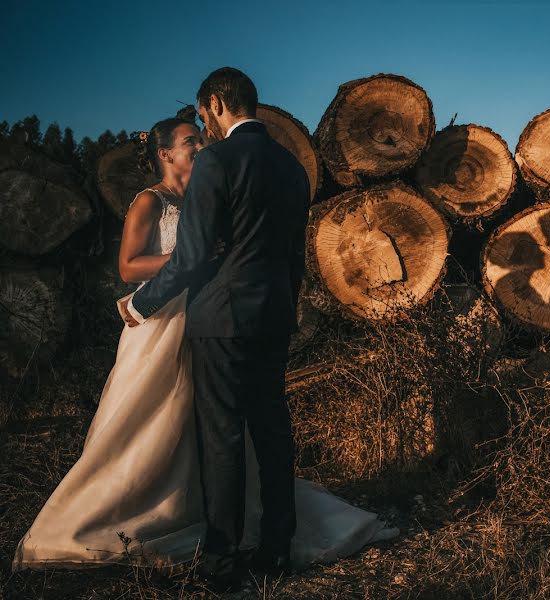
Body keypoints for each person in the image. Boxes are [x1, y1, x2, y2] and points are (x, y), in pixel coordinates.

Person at [12, 69, 397, 591]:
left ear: (216, 103)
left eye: (204, 117)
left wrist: (141, 305)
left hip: (221, 317)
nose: (203, 133)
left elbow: (193, 256)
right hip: (274, 314)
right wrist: (285, 303)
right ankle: (277, 549)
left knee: (222, 438)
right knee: (272, 430)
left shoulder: (217, 160)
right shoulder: (290, 165)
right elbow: (291, 255)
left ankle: (222, 561)